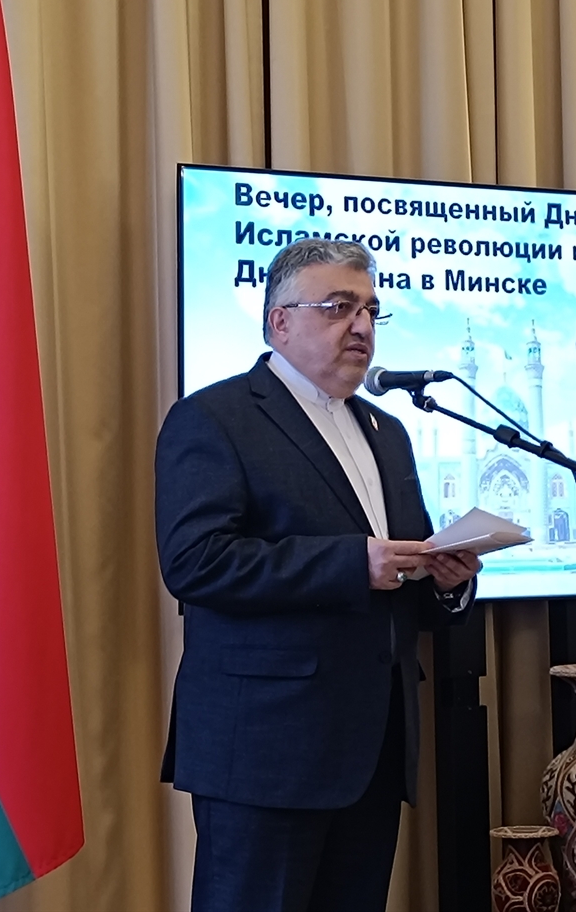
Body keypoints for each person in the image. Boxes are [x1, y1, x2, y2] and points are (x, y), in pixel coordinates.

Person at [155, 237, 482, 912]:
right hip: (265, 752)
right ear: (280, 321)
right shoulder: (215, 418)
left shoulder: (387, 430)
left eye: (370, 310)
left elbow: (403, 575)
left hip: (372, 746)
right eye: (339, 307)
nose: (361, 325)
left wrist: (446, 582)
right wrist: (353, 562)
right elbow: (195, 561)